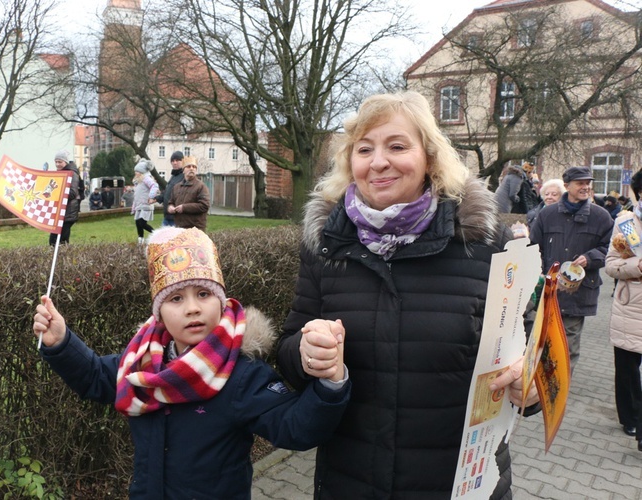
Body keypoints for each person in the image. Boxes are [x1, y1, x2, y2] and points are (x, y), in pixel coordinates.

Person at [276, 91, 538, 499]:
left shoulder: (486, 241)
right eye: (364, 149)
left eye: (396, 146)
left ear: (430, 158)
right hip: (352, 483)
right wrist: (306, 355)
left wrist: (532, 383)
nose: (378, 161)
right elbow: (289, 350)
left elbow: (531, 349)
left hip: (460, 483)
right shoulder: (325, 245)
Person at [32, 227, 350, 498]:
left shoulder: (242, 376)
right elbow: (96, 378)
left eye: (203, 294)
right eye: (175, 299)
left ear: (221, 301)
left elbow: (295, 428)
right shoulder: (142, 363)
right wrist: (62, 342)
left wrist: (330, 382)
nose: (192, 309)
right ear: (159, 313)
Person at [530, 166, 614, 372]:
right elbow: (533, 247)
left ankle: (558, 393)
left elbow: (611, 249)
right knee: (539, 342)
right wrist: (538, 274)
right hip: (547, 292)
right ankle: (537, 389)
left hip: (578, 292)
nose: (586, 187)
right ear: (567, 186)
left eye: (588, 183)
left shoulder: (601, 217)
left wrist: (591, 257)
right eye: (580, 183)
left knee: (567, 348)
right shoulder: (547, 214)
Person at [605, 169, 642, 446]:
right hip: (631, 303)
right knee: (628, 366)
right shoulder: (627, 224)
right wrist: (635, 266)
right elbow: (611, 265)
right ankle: (629, 417)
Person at [168, 156, 210, 231]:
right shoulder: (176, 187)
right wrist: (170, 207)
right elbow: (171, 202)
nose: (191, 168)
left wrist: (184, 208)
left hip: (196, 229)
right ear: (183, 170)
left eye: (194, 167)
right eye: (188, 166)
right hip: (179, 228)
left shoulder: (201, 186)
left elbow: (204, 206)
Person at [49, 150, 80, 246]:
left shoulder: (72, 173)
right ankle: (63, 259)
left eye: (60, 162)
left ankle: (63, 259)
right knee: (58, 241)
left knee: (58, 241)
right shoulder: (62, 173)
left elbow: (73, 193)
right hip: (61, 213)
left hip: (68, 213)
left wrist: (57, 192)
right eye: (56, 162)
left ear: (65, 162)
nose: (57, 164)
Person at [131, 160, 160, 244]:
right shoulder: (138, 182)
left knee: (142, 223)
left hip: (145, 205)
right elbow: (136, 196)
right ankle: (140, 240)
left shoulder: (146, 179)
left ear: (142, 172)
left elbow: (154, 186)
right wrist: (134, 207)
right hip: (139, 206)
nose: (135, 173)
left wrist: (151, 197)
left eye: (137, 171)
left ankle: (156, 234)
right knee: (138, 223)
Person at [156, 151, 185, 227]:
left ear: (183, 161)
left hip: (177, 218)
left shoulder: (185, 176)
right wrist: (156, 199)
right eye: (172, 161)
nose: (174, 163)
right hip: (167, 216)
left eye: (177, 160)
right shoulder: (174, 176)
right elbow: (167, 192)